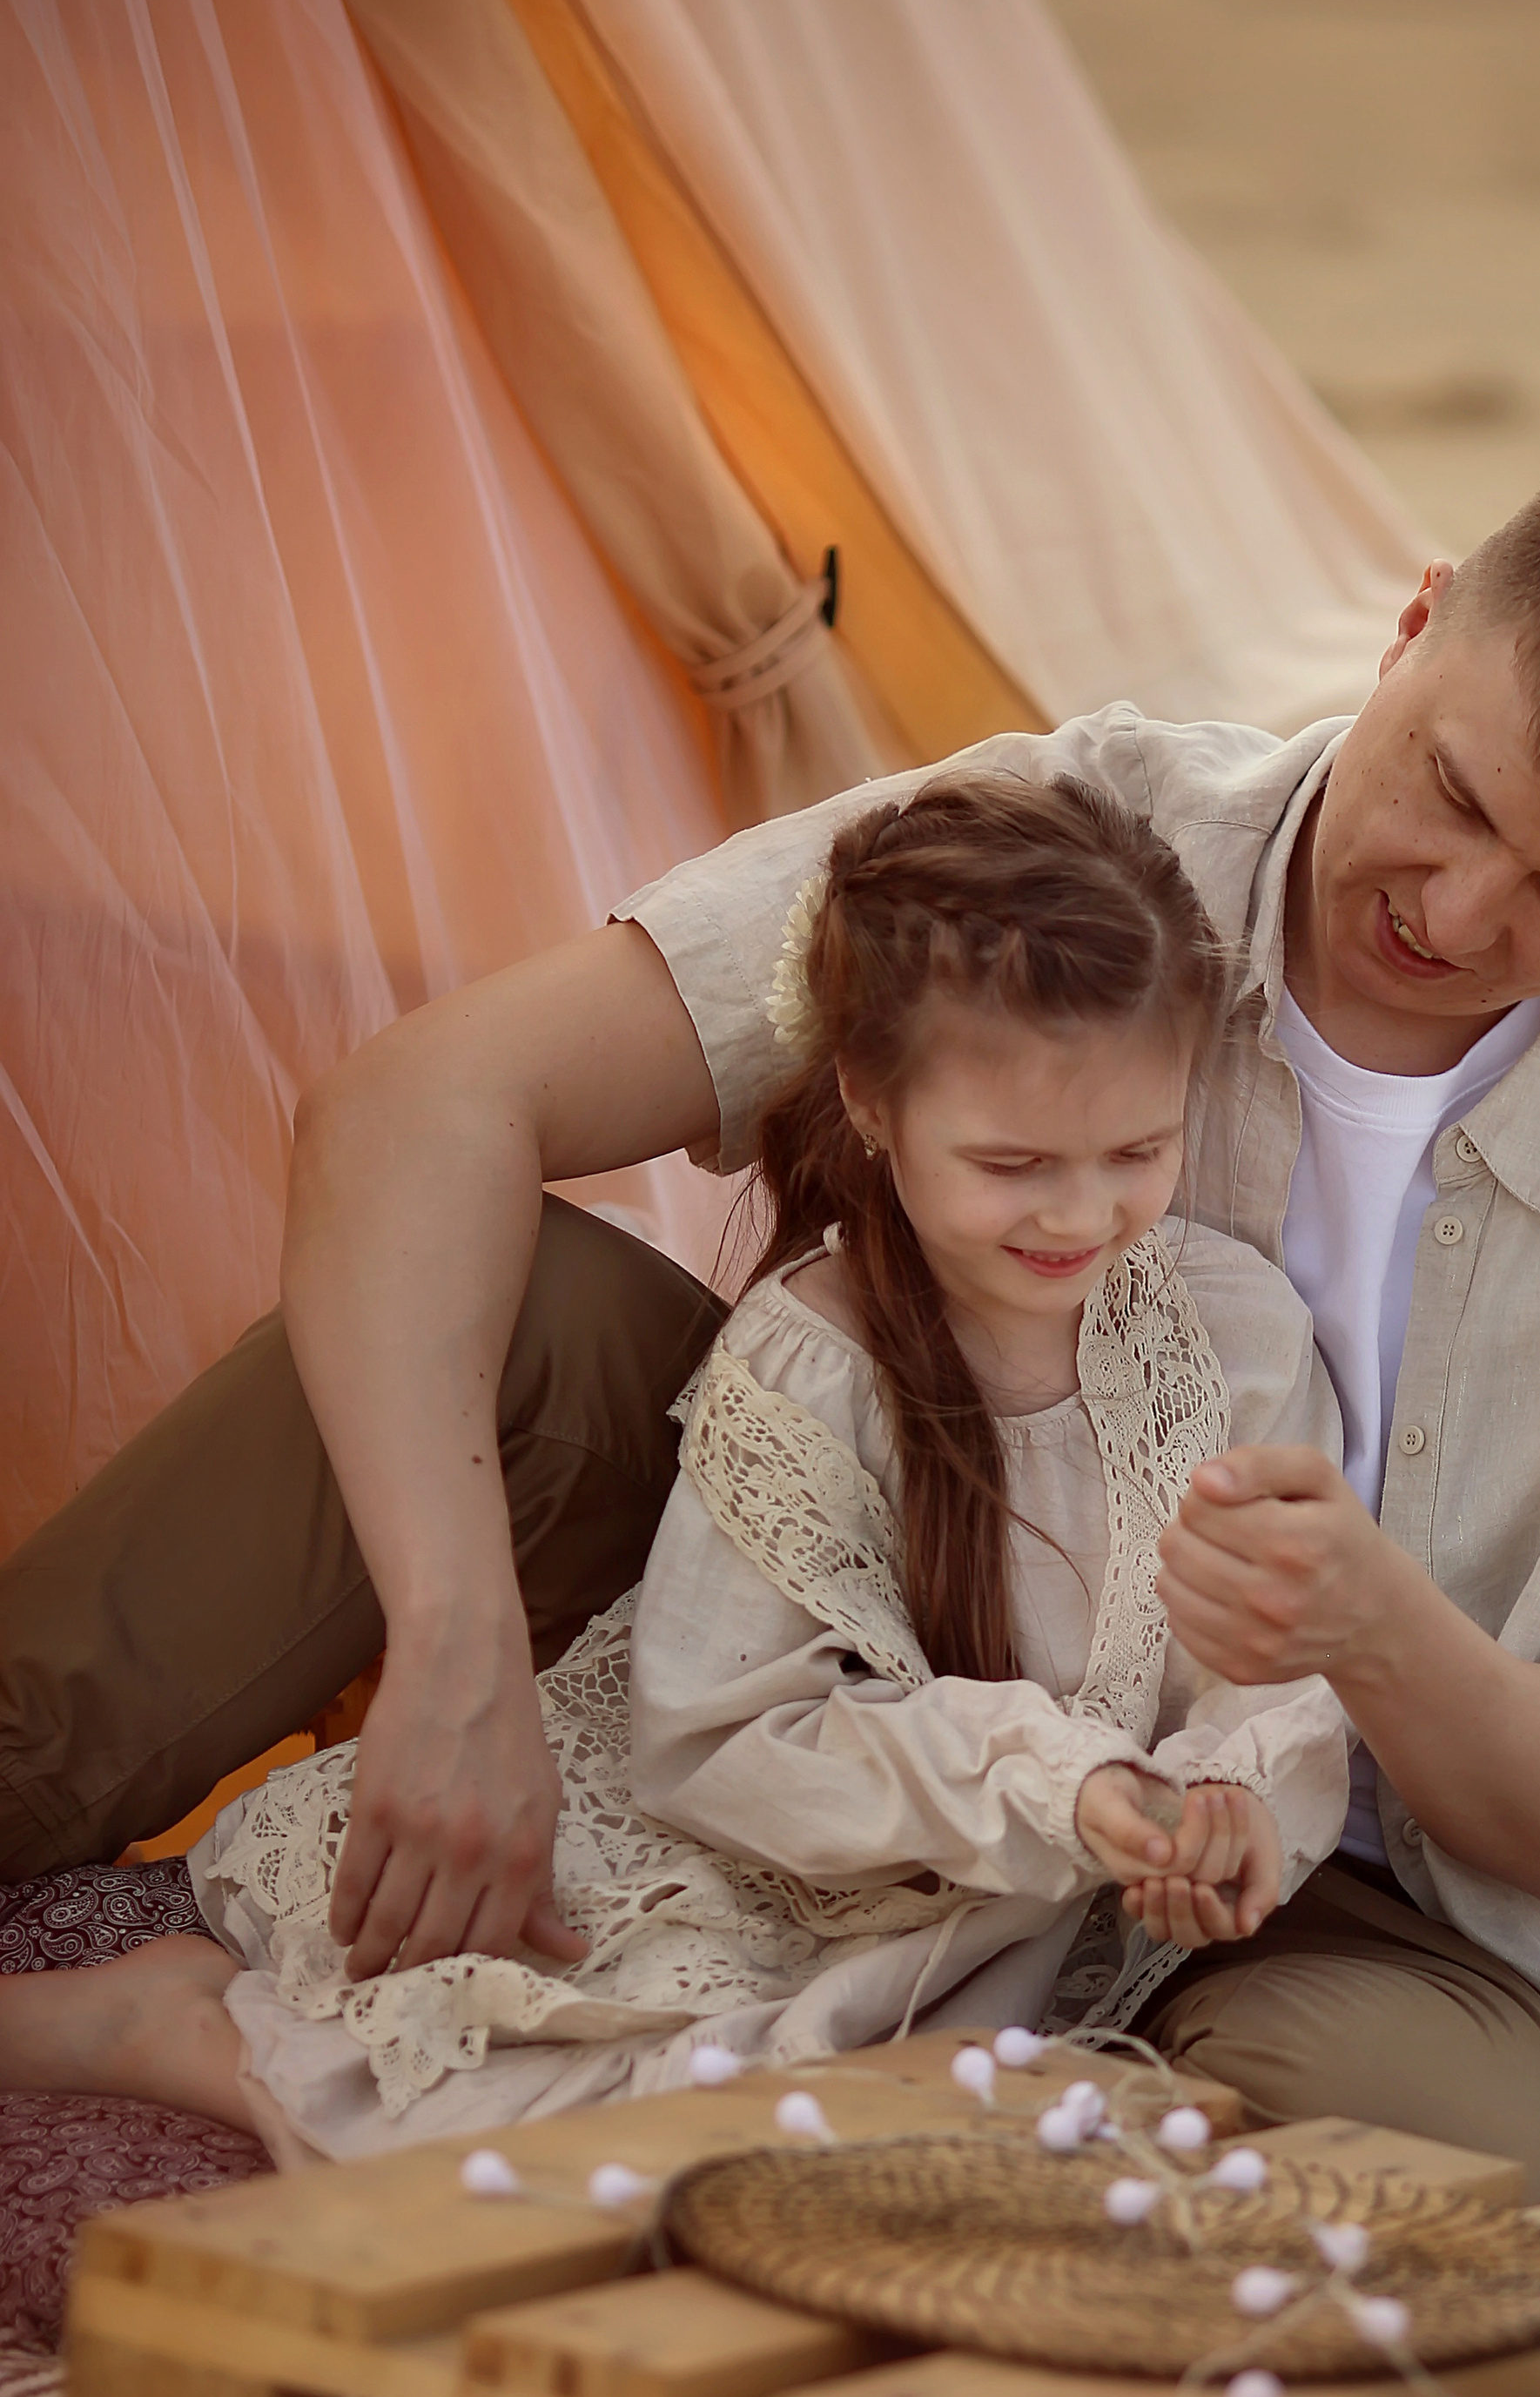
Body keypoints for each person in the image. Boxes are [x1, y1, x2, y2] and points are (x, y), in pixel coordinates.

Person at [0, 446, 1540, 2246]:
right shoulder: (1083, 838)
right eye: (1451, 791)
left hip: (1351, 1881)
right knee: (539, 1312)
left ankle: (901, 2180)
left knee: (1426, 2154)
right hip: (821, 1664)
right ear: (1410, 625)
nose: (1455, 906)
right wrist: (455, 1647)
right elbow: (421, 1106)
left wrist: (1362, 1633)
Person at [0, 780, 1354, 2158]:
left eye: (1139, 1150)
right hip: (799, 1870)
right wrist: (1058, 1787)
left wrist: (1228, 1799)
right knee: (625, 2144)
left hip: (1017, 1913)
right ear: (872, 1104)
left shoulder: (1232, 1336)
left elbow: (1282, 1651)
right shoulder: (810, 1362)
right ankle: (191, 2036)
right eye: (1012, 1163)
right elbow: (727, 1739)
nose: (1082, 1213)